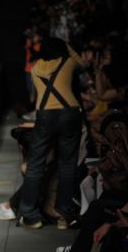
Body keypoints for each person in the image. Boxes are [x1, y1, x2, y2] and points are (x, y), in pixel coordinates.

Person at [18, 38, 84, 228]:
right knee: (67, 164)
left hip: (46, 115)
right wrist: (68, 45)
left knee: (35, 164)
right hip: (69, 113)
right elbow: (82, 64)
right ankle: (64, 215)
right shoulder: (69, 62)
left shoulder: (37, 68)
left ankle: (30, 215)